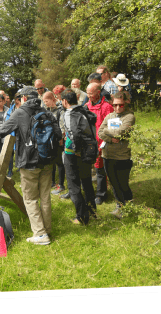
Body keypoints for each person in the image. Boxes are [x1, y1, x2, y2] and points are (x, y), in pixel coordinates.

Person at [0, 86, 62, 246]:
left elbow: (1, 130)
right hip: (47, 161)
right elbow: (58, 134)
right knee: (45, 197)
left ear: (25, 98)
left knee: (30, 199)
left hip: (29, 162)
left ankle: (40, 235)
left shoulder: (20, 113)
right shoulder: (47, 112)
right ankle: (47, 229)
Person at [60, 89, 98, 225]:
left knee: (73, 185)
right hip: (88, 151)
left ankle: (81, 216)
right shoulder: (84, 110)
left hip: (73, 153)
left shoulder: (69, 113)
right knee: (86, 182)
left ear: (65, 101)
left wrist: (76, 150)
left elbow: (73, 133)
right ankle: (93, 211)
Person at [98, 91, 136, 219]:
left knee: (123, 183)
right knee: (113, 183)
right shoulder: (109, 116)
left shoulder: (129, 117)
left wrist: (108, 131)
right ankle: (119, 206)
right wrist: (109, 138)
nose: (117, 108)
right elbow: (99, 132)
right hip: (108, 155)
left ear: (125, 103)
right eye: (115, 105)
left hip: (122, 156)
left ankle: (129, 205)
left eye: (120, 105)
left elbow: (120, 132)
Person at [85, 83, 114, 205]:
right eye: (87, 93)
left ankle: (101, 194)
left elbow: (113, 126)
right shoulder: (86, 106)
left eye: (91, 93)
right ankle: (89, 192)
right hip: (90, 143)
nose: (88, 95)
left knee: (102, 169)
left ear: (98, 92)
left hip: (104, 142)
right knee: (90, 168)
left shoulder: (107, 107)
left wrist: (107, 140)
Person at [42, 92, 66, 195]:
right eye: (44, 102)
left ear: (52, 99)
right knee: (51, 162)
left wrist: (60, 137)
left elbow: (62, 127)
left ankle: (61, 185)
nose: (45, 103)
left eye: (46, 101)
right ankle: (51, 182)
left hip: (58, 140)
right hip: (48, 140)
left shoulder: (60, 111)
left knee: (59, 163)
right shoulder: (46, 111)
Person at [4, 90, 23, 178]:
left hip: (22, 135)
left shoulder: (24, 108)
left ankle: (21, 169)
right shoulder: (11, 110)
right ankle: (10, 170)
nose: (19, 101)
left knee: (21, 153)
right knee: (10, 153)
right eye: (18, 99)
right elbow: (8, 121)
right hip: (12, 134)